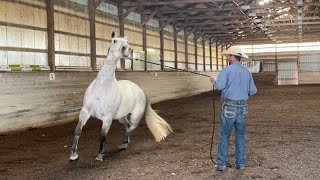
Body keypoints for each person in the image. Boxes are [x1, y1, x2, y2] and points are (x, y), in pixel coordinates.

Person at [209, 47, 257, 171]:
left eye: (228, 56)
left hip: (229, 106)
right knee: (240, 135)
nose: (227, 58)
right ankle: (240, 163)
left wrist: (214, 80)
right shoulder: (247, 72)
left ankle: (222, 164)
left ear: (232, 56)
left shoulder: (227, 70)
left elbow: (219, 85)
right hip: (243, 106)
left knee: (225, 135)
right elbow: (253, 90)